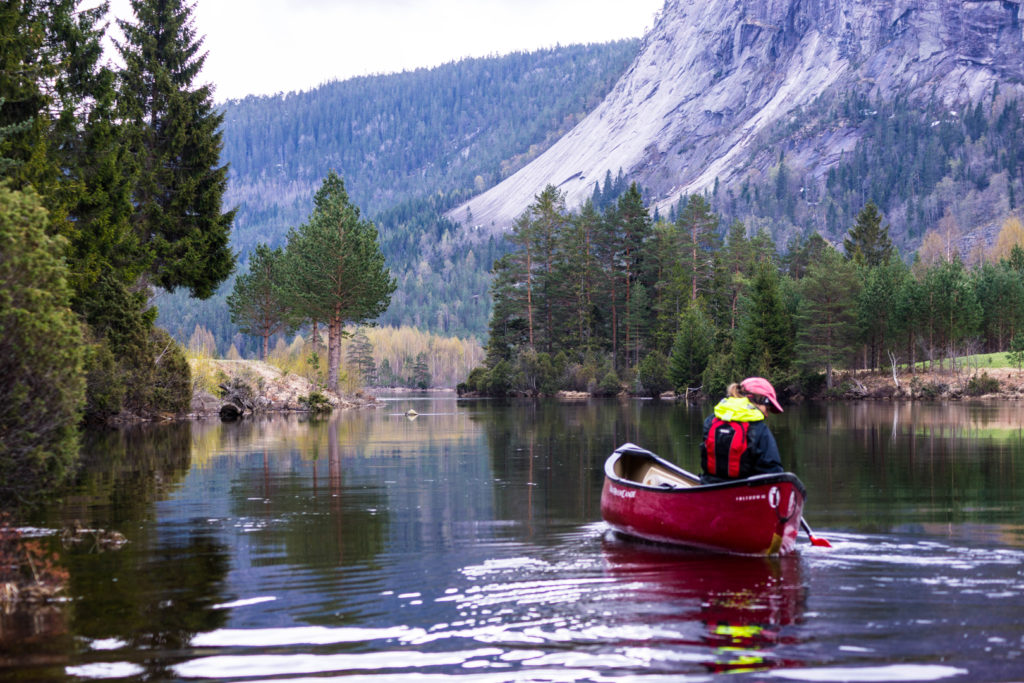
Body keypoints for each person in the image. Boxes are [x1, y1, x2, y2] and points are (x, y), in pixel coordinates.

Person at [700, 377, 784, 483]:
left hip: (708, 487)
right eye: (767, 408)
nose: (767, 414)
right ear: (757, 401)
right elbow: (775, 472)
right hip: (745, 492)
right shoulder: (759, 429)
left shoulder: (710, 421)